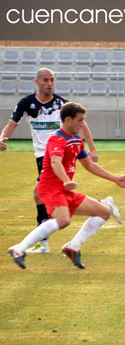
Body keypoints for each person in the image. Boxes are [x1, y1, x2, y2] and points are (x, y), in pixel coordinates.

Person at [8, 102, 125, 269]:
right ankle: (19, 249)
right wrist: (66, 179)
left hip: (64, 190)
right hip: (51, 188)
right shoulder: (57, 139)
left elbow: (90, 165)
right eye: (80, 120)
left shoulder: (76, 140)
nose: (83, 124)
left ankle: (73, 246)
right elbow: (55, 161)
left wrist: (115, 178)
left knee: (103, 212)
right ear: (68, 119)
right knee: (63, 220)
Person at [0, 68, 98, 254]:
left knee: (40, 193)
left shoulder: (61, 104)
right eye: (46, 80)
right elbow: (12, 124)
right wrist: (2, 138)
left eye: (52, 80)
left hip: (57, 153)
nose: (50, 83)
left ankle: (42, 242)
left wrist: (92, 148)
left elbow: (83, 124)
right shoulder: (26, 103)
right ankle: (98, 206)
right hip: (42, 155)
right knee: (40, 195)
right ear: (37, 82)